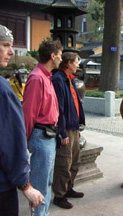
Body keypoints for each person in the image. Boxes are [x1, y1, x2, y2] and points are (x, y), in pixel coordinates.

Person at [0, 24, 44, 216]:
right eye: (5, 45)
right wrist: (25, 184)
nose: (11, 52)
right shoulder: (3, 90)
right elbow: (10, 142)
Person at [22, 40, 62, 216]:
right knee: (39, 184)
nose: (61, 58)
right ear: (53, 56)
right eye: (59, 55)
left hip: (49, 135)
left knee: (47, 182)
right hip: (41, 135)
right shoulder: (37, 77)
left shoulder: (47, 77)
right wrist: (25, 141)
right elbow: (28, 113)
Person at [52, 52, 85, 209]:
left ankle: (68, 188)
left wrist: (77, 126)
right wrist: (62, 132)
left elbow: (74, 105)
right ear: (68, 63)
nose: (78, 65)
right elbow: (59, 109)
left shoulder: (69, 80)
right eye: (76, 62)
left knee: (75, 161)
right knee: (64, 163)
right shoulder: (58, 80)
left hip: (73, 127)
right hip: (65, 128)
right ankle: (59, 195)